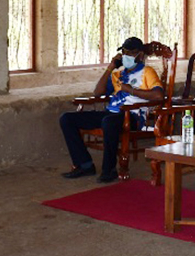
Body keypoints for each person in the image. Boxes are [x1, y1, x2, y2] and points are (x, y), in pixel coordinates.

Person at [60, 37, 164, 183]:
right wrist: (110, 68)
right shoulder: (118, 74)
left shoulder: (147, 72)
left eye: (131, 53)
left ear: (140, 55)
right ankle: (84, 165)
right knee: (67, 119)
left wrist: (131, 90)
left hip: (132, 116)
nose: (126, 56)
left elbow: (159, 95)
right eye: (124, 52)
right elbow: (98, 92)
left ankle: (109, 170)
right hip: (111, 113)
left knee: (108, 122)